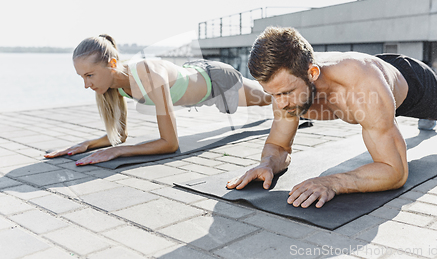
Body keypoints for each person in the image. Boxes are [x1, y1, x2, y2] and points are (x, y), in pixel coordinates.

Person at [227, 26, 437, 209]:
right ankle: (400, 119)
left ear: (313, 72)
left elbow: (395, 172)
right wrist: (268, 163)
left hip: (412, 83)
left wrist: (334, 182)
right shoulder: (289, 88)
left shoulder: (361, 89)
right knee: (383, 121)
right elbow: (279, 145)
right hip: (377, 83)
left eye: (286, 92)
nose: (280, 103)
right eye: (273, 94)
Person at [44, 35, 271, 166]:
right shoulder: (109, 86)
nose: (86, 84)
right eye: (82, 77)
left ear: (112, 64)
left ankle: (304, 95)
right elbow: (120, 136)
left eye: (89, 75)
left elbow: (170, 143)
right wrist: (87, 144)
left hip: (215, 80)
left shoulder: (149, 74)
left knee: (270, 98)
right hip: (194, 79)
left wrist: (120, 151)